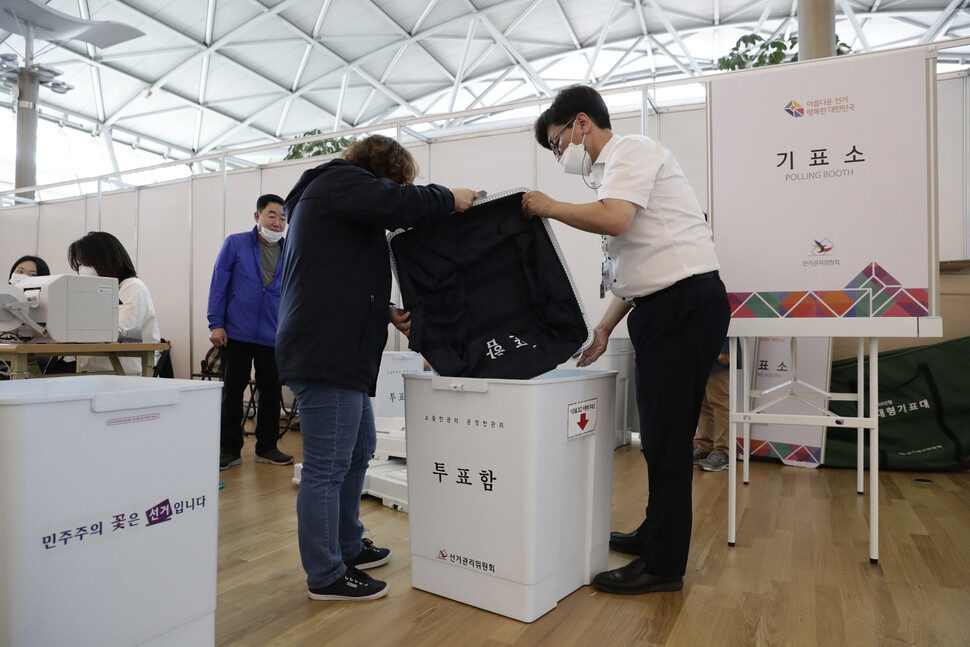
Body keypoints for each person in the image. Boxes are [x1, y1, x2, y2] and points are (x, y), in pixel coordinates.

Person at [521, 85, 730, 594]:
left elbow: (616, 220)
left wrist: (547, 206)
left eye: (556, 143)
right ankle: (654, 533)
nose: (559, 155)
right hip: (661, 307)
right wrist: (605, 326)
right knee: (659, 433)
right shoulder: (610, 172)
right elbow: (632, 269)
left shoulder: (632, 151)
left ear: (581, 124)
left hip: (682, 305)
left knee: (665, 437)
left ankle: (663, 565)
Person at [276, 134, 477, 602]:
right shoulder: (340, 181)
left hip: (334, 348)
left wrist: (383, 309)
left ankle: (346, 544)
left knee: (361, 447)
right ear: (385, 171)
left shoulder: (331, 196)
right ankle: (326, 573)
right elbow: (399, 204)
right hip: (327, 351)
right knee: (327, 467)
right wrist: (450, 198)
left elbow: (335, 273)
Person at [207, 194, 293, 471]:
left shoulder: (291, 249)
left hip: (274, 333)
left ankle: (267, 447)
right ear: (257, 216)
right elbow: (219, 284)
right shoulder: (236, 243)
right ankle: (229, 450)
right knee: (232, 391)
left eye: (283, 218)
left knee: (271, 392)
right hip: (236, 332)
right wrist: (215, 323)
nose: (278, 223)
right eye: (272, 215)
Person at [67, 232, 161, 375]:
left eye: (84, 263)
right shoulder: (95, 294)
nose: (82, 270)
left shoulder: (131, 286)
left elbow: (122, 334)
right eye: (79, 265)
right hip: (95, 372)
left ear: (104, 260)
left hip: (127, 375)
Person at [694, 339, 732, 472]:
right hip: (698, 348)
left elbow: (725, 318)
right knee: (703, 401)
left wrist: (723, 347)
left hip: (716, 346)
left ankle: (723, 451)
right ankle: (705, 446)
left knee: (719, 401)